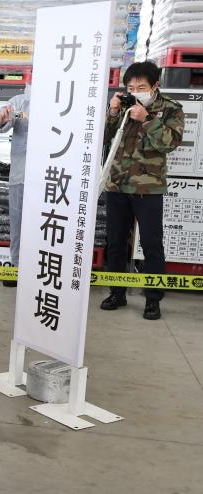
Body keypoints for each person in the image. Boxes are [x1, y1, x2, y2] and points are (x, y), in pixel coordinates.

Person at [101, 61, 185, 320]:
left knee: (151, 244)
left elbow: (169, 144)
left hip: (148, 188)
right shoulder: (124, 106)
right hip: (116, 184)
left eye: (141, 87)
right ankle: (117, 292)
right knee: (115, 243)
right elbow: (101, 139)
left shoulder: (170, 108)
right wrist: (113, 113)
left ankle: (152, 299)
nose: (135, 91)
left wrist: (147, 119)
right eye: (130, 86)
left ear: (155, 86)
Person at [0, 84, 30, 288]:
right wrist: (1, 119)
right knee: (18, 222)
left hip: (53, 176)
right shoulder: (20, 100)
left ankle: (42, 267)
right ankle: (16, 266)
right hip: (21, 174)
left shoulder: (64, 101)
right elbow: (0, 123)